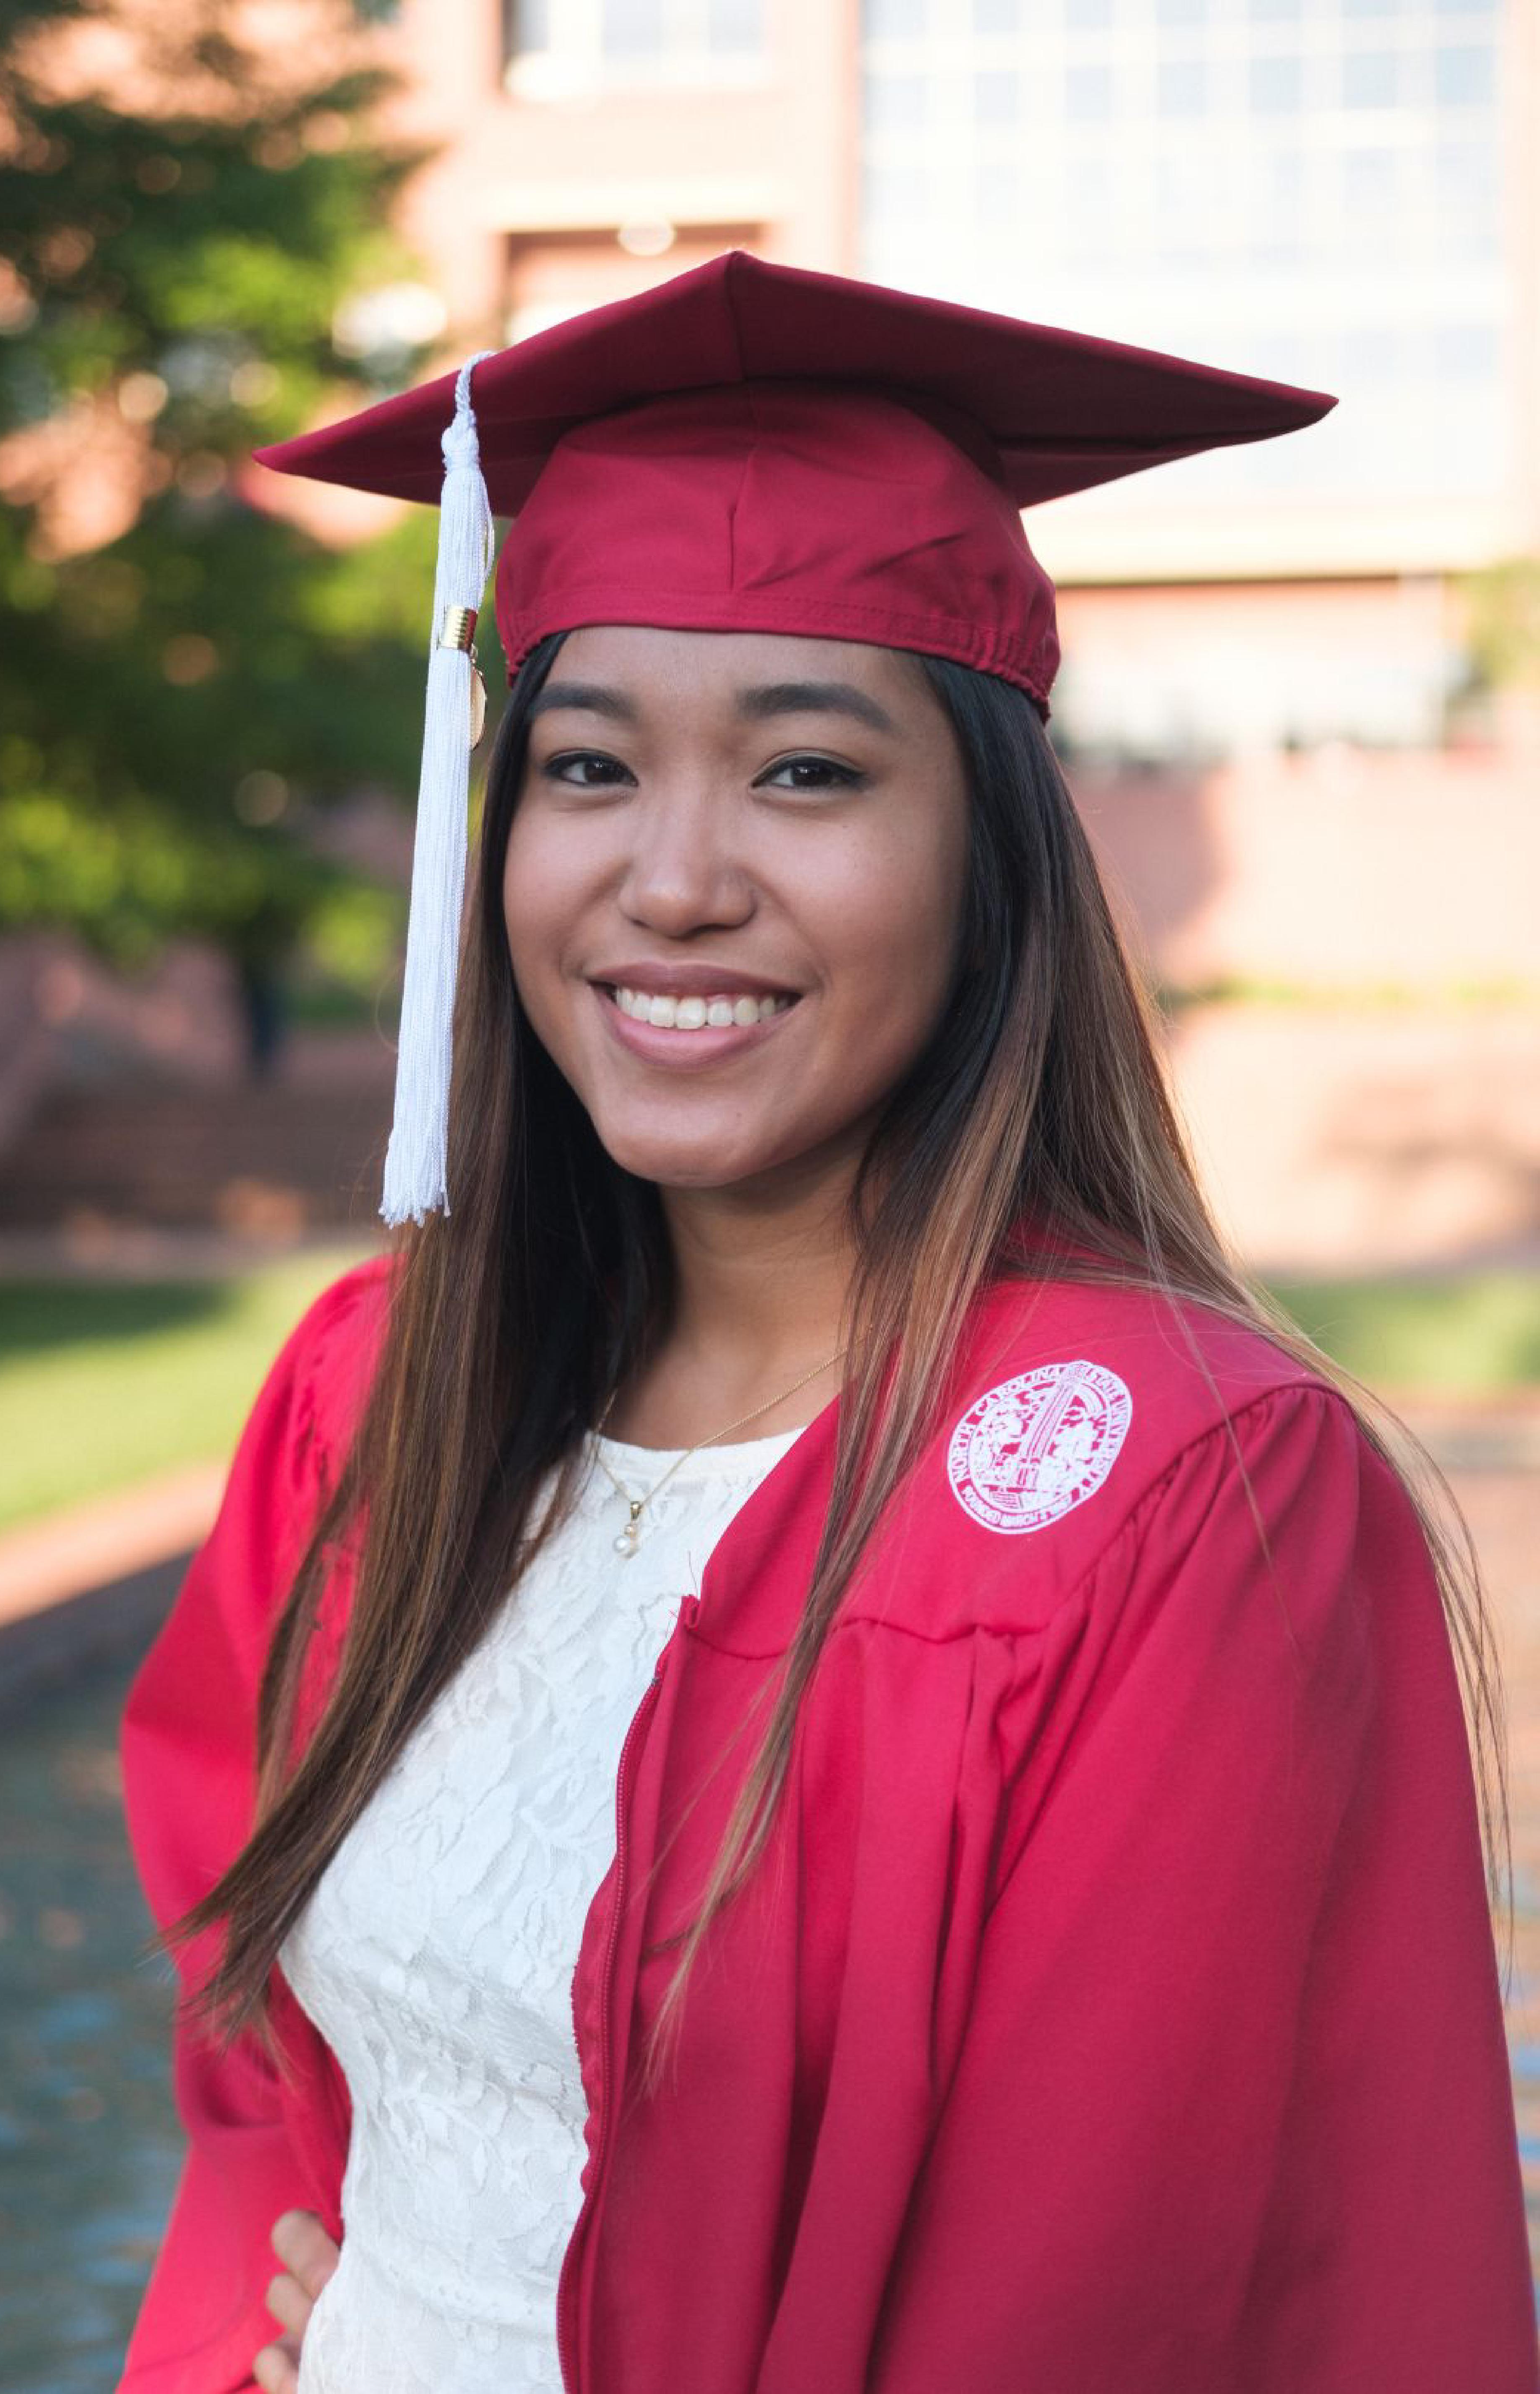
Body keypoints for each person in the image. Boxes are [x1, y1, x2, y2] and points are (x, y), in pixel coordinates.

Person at [115, 253, 1536, 2394]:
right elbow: (264, 2070)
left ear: (992, 856)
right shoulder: (379, 1395)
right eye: (586, 767)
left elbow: (1114, 2306)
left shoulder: (1179, 1500)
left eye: (807, 774)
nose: (672, 880)